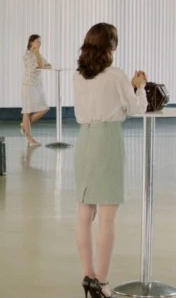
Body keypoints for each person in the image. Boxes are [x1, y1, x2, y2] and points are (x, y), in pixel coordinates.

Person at [73, 23, 147, 298]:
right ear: (111, 47)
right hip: (107, 141)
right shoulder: (116, 74)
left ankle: (88, 276)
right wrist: (139, 87)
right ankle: (102, 283)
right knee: (107, 219)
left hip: (84, 139)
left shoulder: (79, 75)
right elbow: (136, 108)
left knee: (84, 215)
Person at [21, 34, 51, 146]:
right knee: (27, 112)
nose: (40, 43)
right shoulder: (27, 55)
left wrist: (42, 64)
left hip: (38, 86)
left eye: (40, 42)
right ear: (31, 42)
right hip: (28, 86)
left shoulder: (38, 54)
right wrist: (41, 62)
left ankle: (24, 126)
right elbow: (40, 65)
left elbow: (48, 65)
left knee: (44, 109)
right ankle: (30, 140)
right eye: (38, 41)